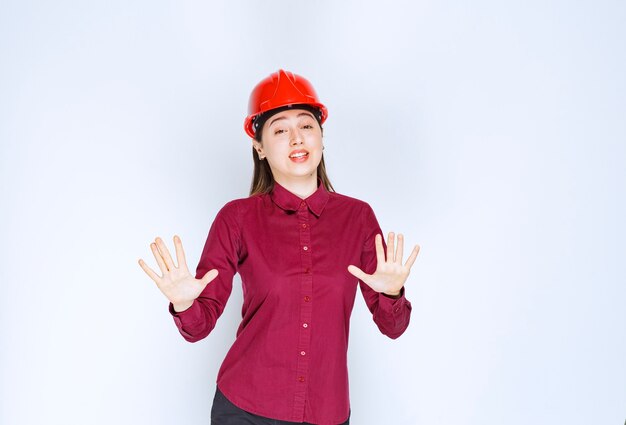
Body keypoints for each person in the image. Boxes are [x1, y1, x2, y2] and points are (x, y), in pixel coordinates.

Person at [138, 69, 420, 425]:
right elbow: (199, 327)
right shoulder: (236, 218)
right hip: (245, 408)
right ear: (259, 146)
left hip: (326, 411)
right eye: (280, 130)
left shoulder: (358, 218)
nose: (296, 139)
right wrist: (184, 302)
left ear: (321, 136)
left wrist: (392, 294)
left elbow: (393, 327)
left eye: (306, 126)